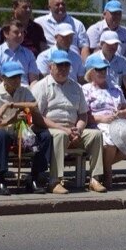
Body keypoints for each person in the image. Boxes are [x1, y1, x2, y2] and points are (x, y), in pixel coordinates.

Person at [30, 50, 105, 194]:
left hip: (72, 128)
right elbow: (37, 116)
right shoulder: (42, 86)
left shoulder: (76, 86)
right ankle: (54, 181)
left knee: (96, 135)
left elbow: (83, 114)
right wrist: (63, 129)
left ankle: (95, 179)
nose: (63, 69)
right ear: (50, 67)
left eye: (66, 65)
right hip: (48, 128)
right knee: (60, 135)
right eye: (59, 65)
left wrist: (79, 129)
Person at [0, 61, 52, 195]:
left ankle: (35, 177)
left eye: (18, 76)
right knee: (2, 135)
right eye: (12, 77)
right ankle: (0, 179)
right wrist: (9, 121)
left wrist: (10, 105)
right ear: (3, 78)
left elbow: (34, 104)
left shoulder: (23, 90)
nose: (17, 80)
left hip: (19, 134)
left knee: (45, 136)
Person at [82, 55, 126, 190]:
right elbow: (83, 114)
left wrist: (122, 113)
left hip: (117, 122)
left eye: (105, 69)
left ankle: (103, 168)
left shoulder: (115, 88)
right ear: (90, 72)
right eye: (99, 69)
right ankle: (108, 173)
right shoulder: (86, 89)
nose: (103, 72)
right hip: (97, 123)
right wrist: (101, 119)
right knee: (110, 141)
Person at [0, 19, 40, 85]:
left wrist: (29, 93)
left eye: (22, 32)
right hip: (2, 91)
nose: (20, 35)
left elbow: (34, 80)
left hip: (24, 91)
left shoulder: (29, 54)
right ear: (6, 33)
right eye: (16, 32)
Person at [90, 30, 126, 96]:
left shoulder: (123, 61)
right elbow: (88, 82)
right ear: (101, 44)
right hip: (97, 96)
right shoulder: (91, 59)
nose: (113, 47)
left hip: (117, 97)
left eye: (115, 44)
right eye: (109, 44)